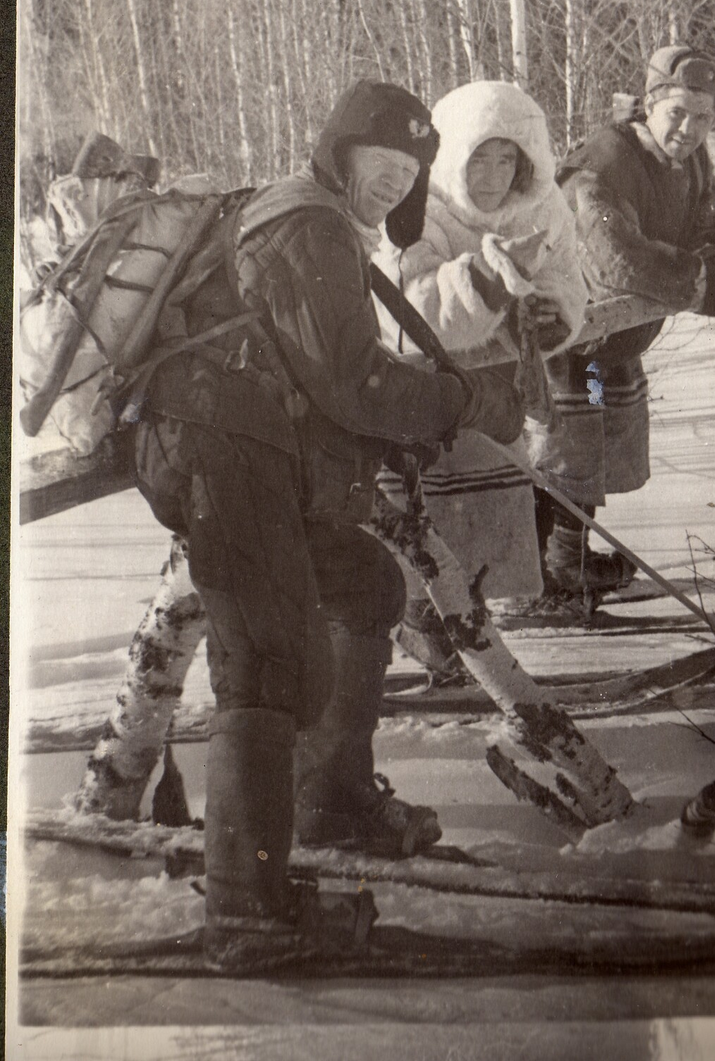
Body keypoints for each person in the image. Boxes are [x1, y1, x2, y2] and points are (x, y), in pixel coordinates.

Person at [132, 80, 524, 971]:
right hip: (222, 459)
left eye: (409, 171)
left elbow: (323, 378)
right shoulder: (304, 225)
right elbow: (355, 382)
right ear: (341, 152)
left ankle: (331, 800)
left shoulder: (322, 227)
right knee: (268, 660)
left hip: (255, 453)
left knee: (364, 584)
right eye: (383, 164)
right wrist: (473, 399)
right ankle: (246, 908)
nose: (395, 183)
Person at [372, 80, 588, 668]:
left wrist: (553, 317)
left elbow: (571, 281)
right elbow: (411, 308)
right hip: (425, 398)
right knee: (428, 518)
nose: (491, 176)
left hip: (495, 398)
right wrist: (486, 285)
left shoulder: (544, 207)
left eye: (507, 159)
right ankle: (420, 624)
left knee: (489, 520)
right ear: (452, 155)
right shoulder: (419, 208)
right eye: (478, 158)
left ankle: (471, 626)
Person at [531, 44, 715, 607]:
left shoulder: (690, 159)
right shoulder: (604, 161)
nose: (690, 129)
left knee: (593, 445)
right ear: (650, 103)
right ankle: (543, 569)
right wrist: (699, 283)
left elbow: (711, 214)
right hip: (569, 341)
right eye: (678, 112)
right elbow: (614, 257)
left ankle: (568, 555)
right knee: (562, 448)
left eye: (704, 117)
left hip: (610, 349)